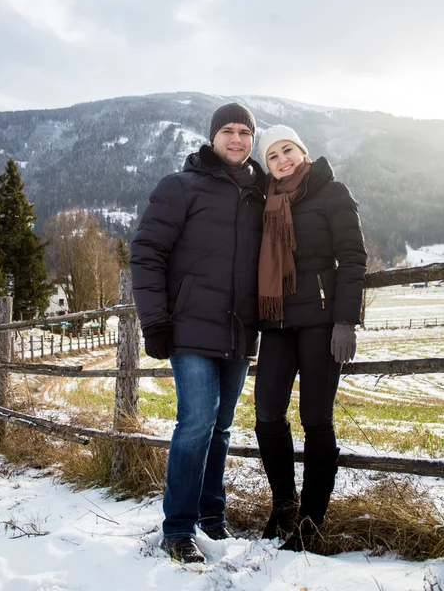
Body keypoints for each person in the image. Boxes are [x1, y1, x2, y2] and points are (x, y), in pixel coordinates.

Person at [130, 103, 266, 564]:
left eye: (244, 132)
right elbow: (147, 253)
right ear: (212, 138)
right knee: (195, 424)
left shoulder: (259, 194)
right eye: (227, 131)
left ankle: (212, 517)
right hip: (189, 329)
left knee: (222, 428)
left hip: (240, 331)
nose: (236, 139)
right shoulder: (180, 186)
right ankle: (178, 528)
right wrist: (155, 320)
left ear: (253, 140)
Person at [254, 125, 367, 552]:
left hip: (321, 322)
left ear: (303, 151)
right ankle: (283, 505)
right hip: (277, 322)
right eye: (273, 156)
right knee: (267, 414)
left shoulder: (332, 192)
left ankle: (310, 523)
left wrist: (345, 321)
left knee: (316, 419)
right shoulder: (266, 200)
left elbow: (353, 256)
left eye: (288, 151)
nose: (282, 160)